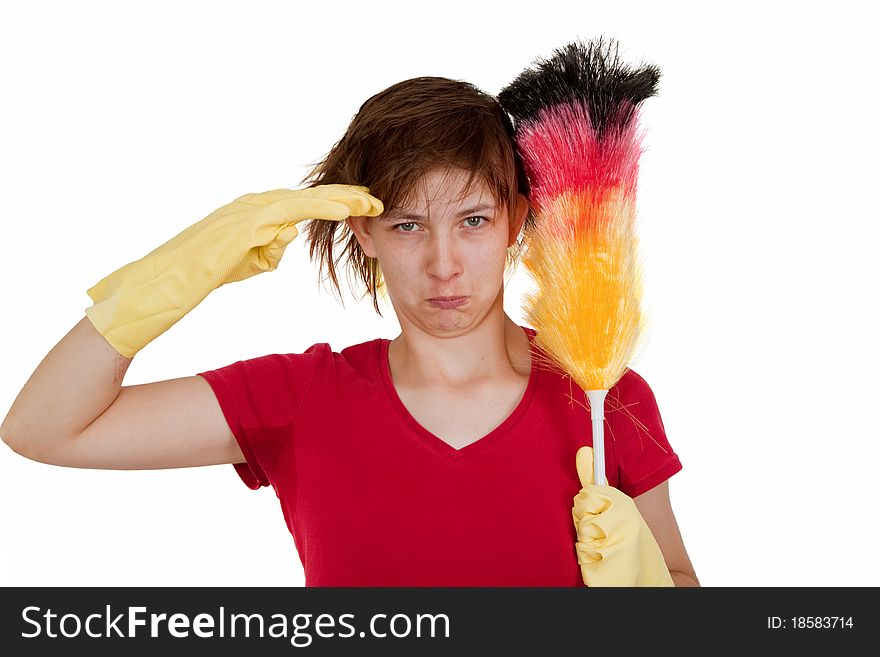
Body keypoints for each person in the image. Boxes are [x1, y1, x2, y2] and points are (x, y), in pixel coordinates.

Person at [0, 76, 699, 587]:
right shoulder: (301, 398)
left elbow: (685, 593)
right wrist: (172, 277)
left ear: (518, 219)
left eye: (474, 221)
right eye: (407, 224)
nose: (443, 263)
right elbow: (43, 427)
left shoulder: (607, 396)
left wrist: (650, 591)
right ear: (364, 231)